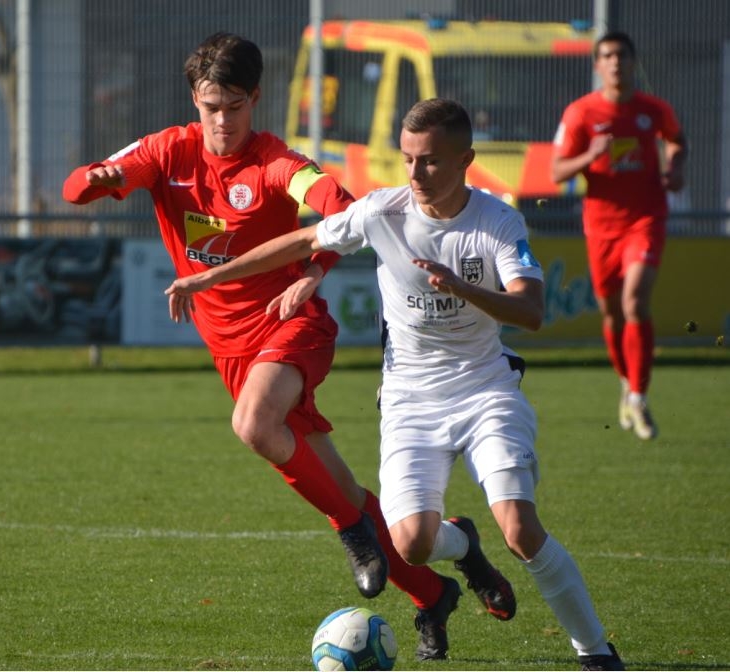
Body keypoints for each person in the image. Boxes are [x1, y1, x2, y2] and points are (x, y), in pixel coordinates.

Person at [62, 33, 515, 661]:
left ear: (256, 99)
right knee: (340, 484)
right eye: (212, 107)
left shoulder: (277, 162)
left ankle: (352, 532)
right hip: (232, 353)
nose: (223, 121)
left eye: (236, 107)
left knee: (254, 424)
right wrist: (98, 178)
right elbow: (75, 189)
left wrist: (314, 270)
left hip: (294, 327)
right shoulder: (167, 150)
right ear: (195, 100)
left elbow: (339, 206)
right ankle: (437, 586)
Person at [165, 97, 626, 671]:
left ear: (465, 161)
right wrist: (208, 277)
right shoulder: (383, 211)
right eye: (407, 159)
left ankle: (595, 652)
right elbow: (305, 241)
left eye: (429, 160)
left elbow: (530, 312)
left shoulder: (498, 221)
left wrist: (462, 287)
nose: (415, 173)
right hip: (409, 398)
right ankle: (463, 543)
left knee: (520, 529)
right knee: (411, 543)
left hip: (485, 390)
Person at [551, 31, 687, 440]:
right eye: (607, 56)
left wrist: (675, 167)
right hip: (601, 226)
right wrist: (590, 155)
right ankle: (627, 384)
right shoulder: (581, 113)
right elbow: (556, 171)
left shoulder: (653, 109)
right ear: (597, 65)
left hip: (645, 219)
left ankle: (640, 397)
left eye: (622, 55)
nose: (615, 62)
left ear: (632, 61)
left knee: (635, 301)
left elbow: (676, 139)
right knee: (612, 313)